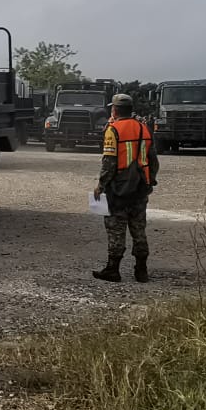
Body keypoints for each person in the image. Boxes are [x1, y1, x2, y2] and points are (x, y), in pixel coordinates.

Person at [92, 94, 159, 283]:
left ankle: (113, 270)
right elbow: (153, 160)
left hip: (119, 188)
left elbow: (109, 162)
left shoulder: (113, 130)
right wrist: (150, 180)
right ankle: (141, 270)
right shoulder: (143, 128)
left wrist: (100, 185)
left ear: (114, 110)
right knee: (139, 229)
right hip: (140, 188)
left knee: (116, 228)